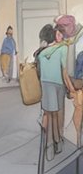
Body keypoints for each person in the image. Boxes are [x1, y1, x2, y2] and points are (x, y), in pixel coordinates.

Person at [36, 20, 76, 158]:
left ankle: (49, 148)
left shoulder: (41, 53)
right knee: (57, 115)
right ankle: (58, 141)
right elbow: (64, 72)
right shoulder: (63, 49)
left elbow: (40, 73)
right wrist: (71, 88)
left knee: (49, 113)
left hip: (45, 85)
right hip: (58, 84)